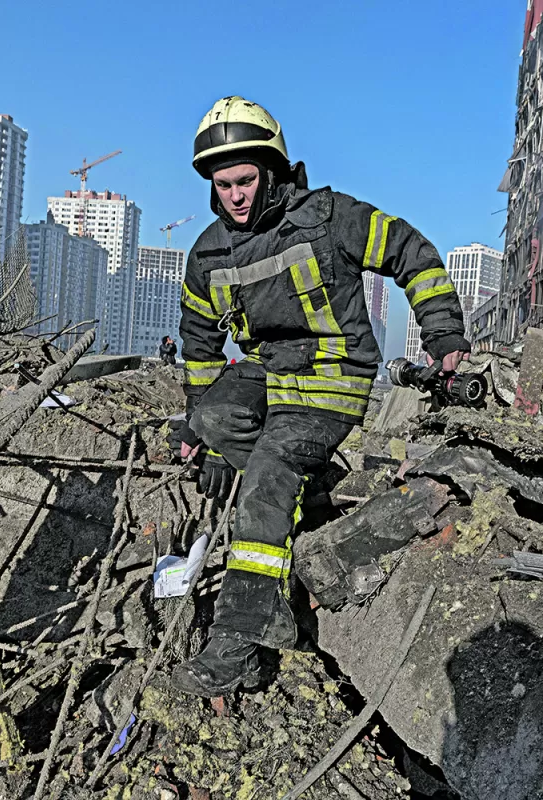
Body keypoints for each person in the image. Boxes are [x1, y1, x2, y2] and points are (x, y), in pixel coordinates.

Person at [169, 96, 471, 696]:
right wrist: (197, 433)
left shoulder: (328, 218)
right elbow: (200, 348)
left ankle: (240, 642)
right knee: (215, 417)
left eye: (247, 180)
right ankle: (310, 488)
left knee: (268, 470)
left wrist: (442, 333)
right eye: (224, 184)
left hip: (332, 373)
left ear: (272, 169)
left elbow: (412, 251)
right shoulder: (206, 254)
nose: (236, 196)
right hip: (265, 372)